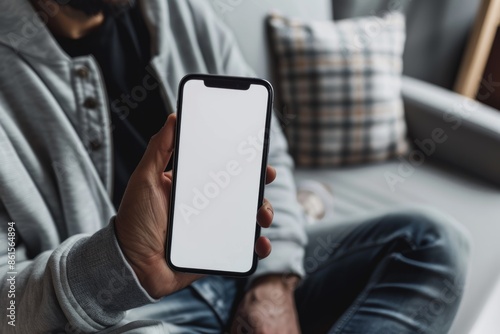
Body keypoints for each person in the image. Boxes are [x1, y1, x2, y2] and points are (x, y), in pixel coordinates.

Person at [0, 0, 471, 333]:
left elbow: (270, 152)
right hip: (131, 316)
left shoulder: (178, 11)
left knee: (431, 242)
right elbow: (10, 309)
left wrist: (274, 282)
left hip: (242, 266)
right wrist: (121, 264)